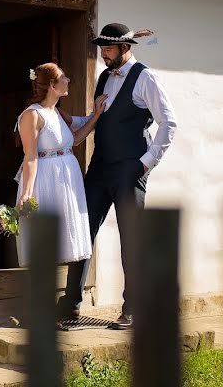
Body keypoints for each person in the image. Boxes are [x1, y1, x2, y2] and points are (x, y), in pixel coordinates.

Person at [57, 23, 177, 330]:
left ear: (125, 48)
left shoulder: (145, 78)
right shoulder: (104, 77)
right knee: (82, 231)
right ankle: (70, 304)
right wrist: (71, 119)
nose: (103, 54)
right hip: (99, 167)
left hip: (130, 168)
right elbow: (101, 119)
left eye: (108, 49)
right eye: (101, 49)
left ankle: (133, 309)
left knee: (131, 239)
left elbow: (168, 123)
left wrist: (145, 163)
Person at [14, 63, 108, 267]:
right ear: (52, 86)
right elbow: (30, 156)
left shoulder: (57, 112)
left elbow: (74, 140)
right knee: (46, 238)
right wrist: (27, 193)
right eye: (63, 77)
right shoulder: (33, 115)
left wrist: (97, 116)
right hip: (47, 180)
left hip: (66, 180)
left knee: (64, 235)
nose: (68, 80)